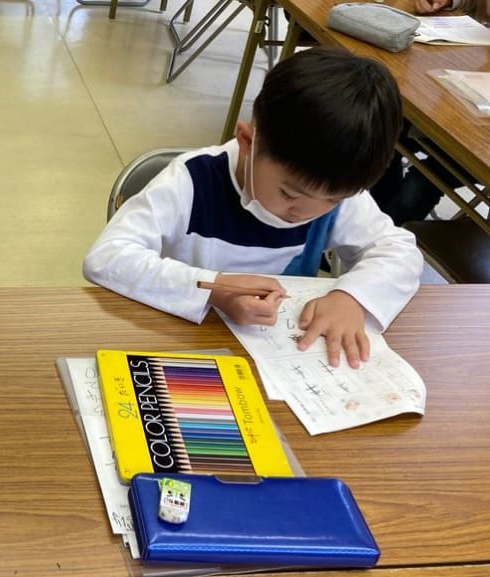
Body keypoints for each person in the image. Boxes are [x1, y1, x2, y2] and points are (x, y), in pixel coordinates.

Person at [83, 47, 423, 369]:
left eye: (333, 201)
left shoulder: (332, 191)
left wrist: (352, 297)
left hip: (277, 357)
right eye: (289, 194)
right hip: (183, 343)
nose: (304, 213)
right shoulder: (191, 181)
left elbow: (399, 250)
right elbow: (107, 257)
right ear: (248, 141)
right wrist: (212, 290)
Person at [370, 0, 488, 225]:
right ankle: (369, 232)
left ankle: (377, 242)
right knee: (383, 128)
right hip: (454, 110)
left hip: (477, 145)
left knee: (417, 188)